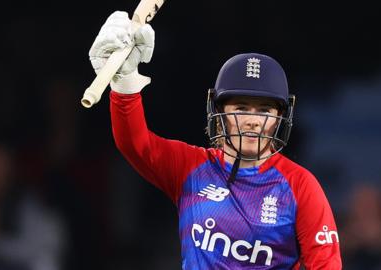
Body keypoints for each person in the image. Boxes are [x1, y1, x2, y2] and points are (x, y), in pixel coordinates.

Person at [89, 11, 342, 269]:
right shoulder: (192, 168)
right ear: (219, 114)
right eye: (241, 107)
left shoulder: (300, 187)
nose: (253, 121)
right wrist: (125, 84)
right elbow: (135, 144)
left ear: (279, 118)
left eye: (265, 110)